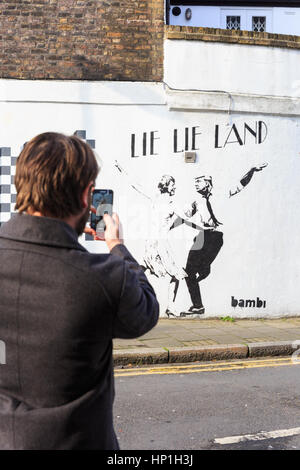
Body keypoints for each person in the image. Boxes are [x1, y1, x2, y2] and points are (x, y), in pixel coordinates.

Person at [0, 132, 159, 450]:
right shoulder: (105, 279)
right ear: (87, 196)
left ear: (21, 185)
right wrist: (116, 246)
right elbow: (145, 311)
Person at [171, 164, 268, 317]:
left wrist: (251, 170)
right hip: (202, 235)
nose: (195, 183)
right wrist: (166, 226)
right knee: (188, 271)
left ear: (208, 182)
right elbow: (182, 217)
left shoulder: (222, 194)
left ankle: (205, 268)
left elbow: (240, 184)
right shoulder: (196, 201)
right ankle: (198, 306)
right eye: (195, 181)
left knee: (200, 267)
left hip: (215, 237)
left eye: (199, 181)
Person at [114, 162, 187, 317]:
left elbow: (136, 185)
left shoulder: (156, 199)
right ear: (168, 186)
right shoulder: (172, 205)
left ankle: (129, 300)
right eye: (173, 184)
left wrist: (122, 169)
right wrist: (204, 227)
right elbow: (188, 219)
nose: (175, 187)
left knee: (145, 269)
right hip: (160, 244)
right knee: (175, 274)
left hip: (151, 242)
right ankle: (171, 308)